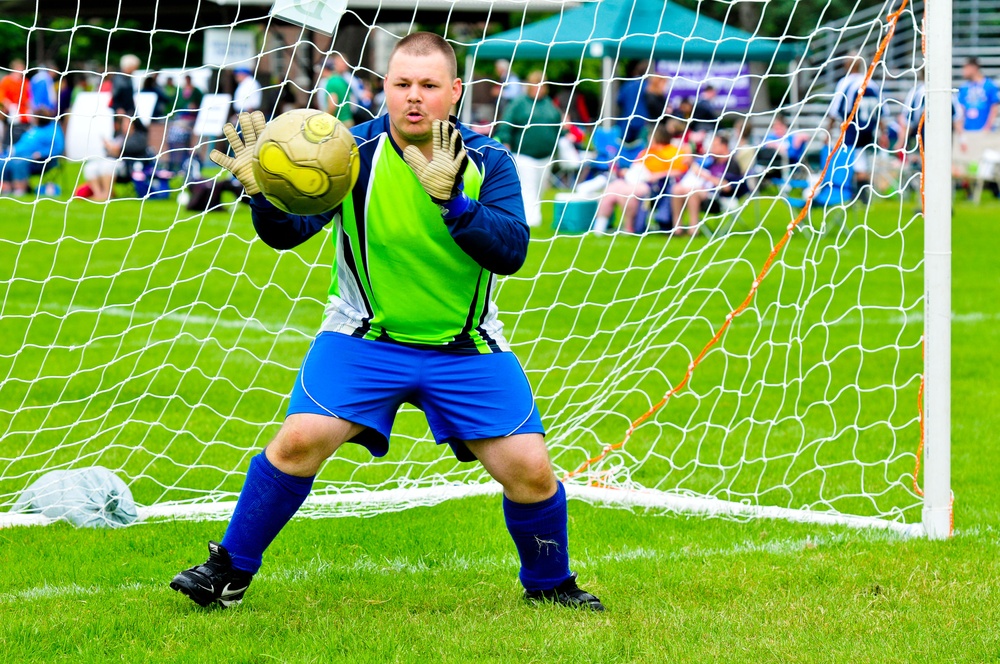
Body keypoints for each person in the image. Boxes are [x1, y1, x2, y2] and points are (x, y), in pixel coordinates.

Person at [170, 31, 604, 612]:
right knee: (299, 440)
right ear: (385, 89)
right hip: (364, 337)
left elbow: (511, 251)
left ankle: (550, 586)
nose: (413, 97)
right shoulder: (349, 154)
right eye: (401, 84)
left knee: (531, 471)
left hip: (465, 346)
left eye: (428, 85)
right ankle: (229, 572)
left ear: (454, 91)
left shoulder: (490, 162)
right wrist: (267, 198)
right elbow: (287, 236)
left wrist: (454, 202)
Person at [592, 121, 691, 234]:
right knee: (611, 189)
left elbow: (680, 171)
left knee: (627, 191)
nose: (648, 139)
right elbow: (636, 166)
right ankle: (599, 229)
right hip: (634, 179)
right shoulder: (646, 152)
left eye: (650, 136)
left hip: (654, 185)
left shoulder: (672, 152)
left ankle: (629, 227)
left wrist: (659, 174)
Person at [493, 70, 563, 228]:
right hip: (524, 154)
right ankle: (531, 220)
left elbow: (559, 125)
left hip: (546, 156)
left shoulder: (549, 104)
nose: (538, 89)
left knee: (540, 188)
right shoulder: (519, 103)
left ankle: (532, 215)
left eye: (542, 86)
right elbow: (506, 123)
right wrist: (506, 141)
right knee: (528, 187)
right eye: (535, 85)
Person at [824, 57, 881, 197]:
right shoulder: (871, 83)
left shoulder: (846, 83)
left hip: (853, 129)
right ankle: (862, 196)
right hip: (869, 130)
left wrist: (828, 132)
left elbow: (835, 110)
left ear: (847, 65)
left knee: (852, 163)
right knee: (862, 162)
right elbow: (882, 109)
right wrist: (883, 131)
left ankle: (856, 196)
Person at [669, 133, 744, 236]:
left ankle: (693, 229)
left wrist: (703, 175)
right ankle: (677, 228)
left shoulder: (732, 164)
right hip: (703, 191)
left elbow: (727, 187)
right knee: (677, 189)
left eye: (714, 146)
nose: (711, 149)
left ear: (724, 146)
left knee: (693, 192)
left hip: (719, 198)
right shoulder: (712, 162)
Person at [76, 115, 148, 201]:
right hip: (113, 162)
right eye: (124, 123)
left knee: (107, 165)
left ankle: (107, 193)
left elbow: (120, 150)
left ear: (133, 124)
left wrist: (110, 146)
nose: (124, 125)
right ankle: (98, 193)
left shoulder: (138, 138)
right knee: (90, 167)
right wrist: (109, 147)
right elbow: (112, 150)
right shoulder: (120, 136)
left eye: (127, 123)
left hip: (128, 167)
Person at [0, 108, 64, 196]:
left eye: (34, 118)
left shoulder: (53, 130)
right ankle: (6, 187)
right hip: (18, 154)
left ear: (39, 118)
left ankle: (20, 189)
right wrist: (11, 150)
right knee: (2, 161)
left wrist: (42, 153)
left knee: (18, 163)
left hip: (39, 160)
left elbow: (58, 148)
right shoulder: (34, 129)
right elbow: (23, 144)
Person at [956, 57, 999, 136]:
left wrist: (987, 128)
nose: (963, 71)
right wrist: (960, 129)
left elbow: (994, 108)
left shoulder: (990, 85)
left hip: (985, 131)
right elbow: (960, 110)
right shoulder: (964, 88)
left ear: (973, 68)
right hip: (967, 131)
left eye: (965, 68)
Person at [0, 59, 32, 146]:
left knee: (24, 133)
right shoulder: (7, 81)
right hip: (11, 113)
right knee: (10, 133)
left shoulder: (25, 81)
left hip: (24, 113)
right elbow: (2, 96)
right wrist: (11, 107)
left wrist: (30, 109)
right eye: (19, 68)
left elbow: (29, 97)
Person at [320, 54, 354, 126]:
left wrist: (323, 119)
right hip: (349, 120)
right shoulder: (342, 80)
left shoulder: (330, 82)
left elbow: (333, 105)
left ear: (324, 69)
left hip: (338, 123)